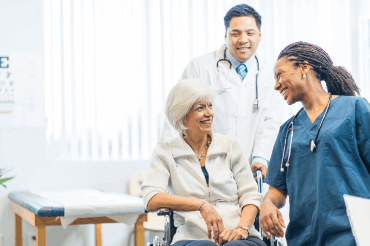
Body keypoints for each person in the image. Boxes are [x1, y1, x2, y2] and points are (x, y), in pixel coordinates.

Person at [260, 41, 370, 246]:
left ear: (303, 68)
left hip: (353, 233)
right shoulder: (288, 130)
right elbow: (277, 189)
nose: (276, 85)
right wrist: (267, 203)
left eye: (279, 74)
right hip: (305, 237)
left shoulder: (354, 108)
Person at [161, 4, 285, 179]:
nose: (243, 40)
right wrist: (169, 162)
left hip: (250, 169)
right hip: (202, 168)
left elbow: (271, 123)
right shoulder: (200, 67)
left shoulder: (272, 73)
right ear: (225, 35)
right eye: (235, 33)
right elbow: (176, 116)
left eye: (250, 33)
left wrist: (261, 158)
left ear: (259, 35)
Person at [142, 79, 267, 246]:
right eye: (200, 108)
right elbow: (151, 198)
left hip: (239, 234)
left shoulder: (230, 146)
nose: (209, 113)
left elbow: (250, 195)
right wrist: (201, 205)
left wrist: (242, 229)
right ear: (182, 116)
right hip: (191, 237)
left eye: (210, 106)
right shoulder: (166, 152)